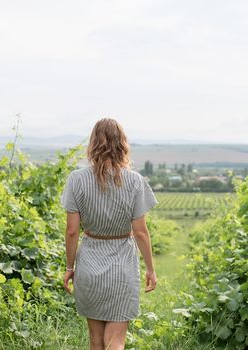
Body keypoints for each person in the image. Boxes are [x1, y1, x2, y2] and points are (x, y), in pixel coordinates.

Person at [60, 118, 159, 350]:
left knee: (96, 342)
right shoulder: (135, 181)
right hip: (122, 268)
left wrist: (69, 267)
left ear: (93, 144)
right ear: (122, 144)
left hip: (89, 267)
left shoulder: (76, 180)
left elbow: (72, 231)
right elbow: (141, 233)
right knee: (115, 342)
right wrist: (151, 269)